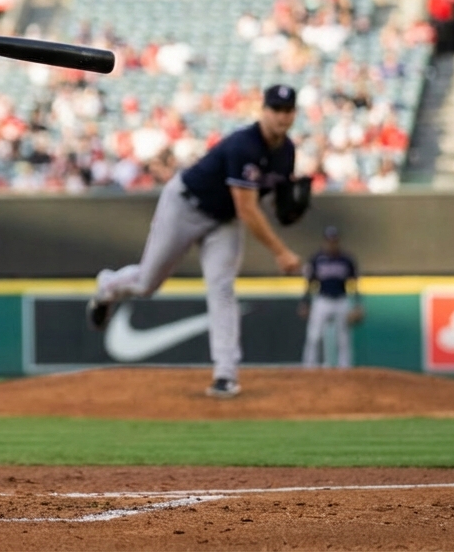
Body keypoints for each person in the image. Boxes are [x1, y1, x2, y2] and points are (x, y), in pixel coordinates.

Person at [87, 84, 305, 399]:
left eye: (288, 110)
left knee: (222, 288)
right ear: (264, 111)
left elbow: (269, 197)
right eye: (276, 110)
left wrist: (286, 206)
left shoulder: (287, 153)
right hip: (185, 206)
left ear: (294, 114)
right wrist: (281, 251)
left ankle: (225, 374)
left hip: (223, 222)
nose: (282, 117)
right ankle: (108, 287)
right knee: (147, 283)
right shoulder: (243, 145)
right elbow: (247, 207)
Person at [299, 226, 361, 369]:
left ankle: (345, 369)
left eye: (334, 240)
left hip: (341, 299)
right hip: (322, 300)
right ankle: (308, 368)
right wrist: (305, 302)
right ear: (325, 241)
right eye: (329, 240)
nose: (331, 243)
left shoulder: (347, 259)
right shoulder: (316, 259)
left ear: (338, 241)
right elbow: (309, 283)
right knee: (314, 336)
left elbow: (355, 283)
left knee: (343, 339)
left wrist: (358, 304)